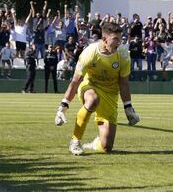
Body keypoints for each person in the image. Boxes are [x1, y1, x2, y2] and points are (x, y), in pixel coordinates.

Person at [54, 22, 140, 155]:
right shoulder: (89, 53)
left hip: (110, 94)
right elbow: (75, 81)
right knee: (93, 99)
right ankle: (75, 141)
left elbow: (123, 83)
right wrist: (63, 106)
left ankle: (95, 144)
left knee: (106, 148)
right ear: (104, 39)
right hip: (89, 86)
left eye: (120, 39)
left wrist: (128, 107)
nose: (119, 43)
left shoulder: (123, 55)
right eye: (115, 39)